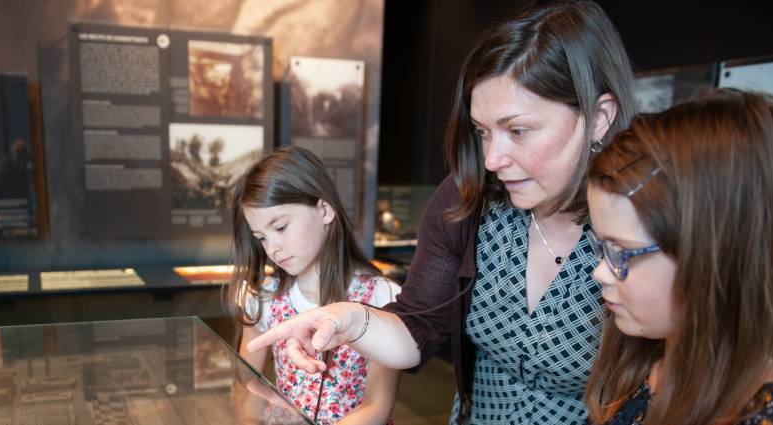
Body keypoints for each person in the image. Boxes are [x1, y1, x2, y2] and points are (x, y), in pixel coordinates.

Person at [245, 1, 639, 423]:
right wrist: (350, 318)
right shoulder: (467, 199)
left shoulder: (646, 217)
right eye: (483, 133)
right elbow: (419, 326)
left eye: (519, 131)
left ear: (599, 118)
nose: (492, 159)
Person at [583, 89, 773, 424]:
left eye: (622, 251)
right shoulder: (646, 355)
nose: (600, 272)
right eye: (601, 246)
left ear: (717, 256)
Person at [225, 146, 402, 424]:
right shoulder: (265, 297)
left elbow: (377, 404)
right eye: (261, 237)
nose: (273, 248)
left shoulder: (381, 296)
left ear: (324, 210)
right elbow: (245, 386)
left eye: (281, 227)